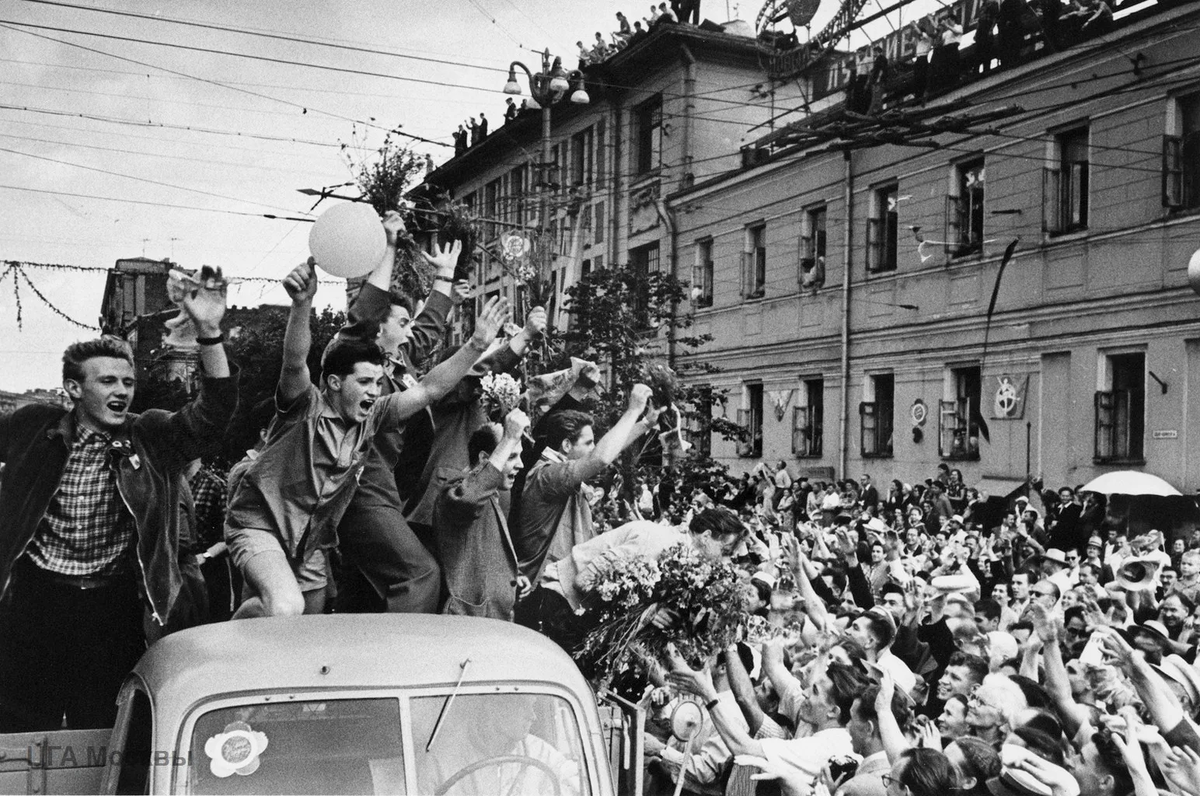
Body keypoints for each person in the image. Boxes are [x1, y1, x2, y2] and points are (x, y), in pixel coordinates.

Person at [0, 272, 237, 731]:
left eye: (127, 382)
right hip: (36, 599)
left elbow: (212, 417)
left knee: (105, 728)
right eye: (107, 381)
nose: (122, 391)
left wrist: (209, 333)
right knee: (23, 727)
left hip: (112, 605)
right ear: (73, 389)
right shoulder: (32, 427)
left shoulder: (148, 435)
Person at [224, 257, 509, 618]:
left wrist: (476, 344)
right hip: (259, 523)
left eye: (378, 383)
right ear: (334, 383)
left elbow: (428, 389)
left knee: (302, 631)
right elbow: (295, 361)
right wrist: (301, 304)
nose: (375, 392)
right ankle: (231, 636)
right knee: (285, 607)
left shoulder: (373, 415)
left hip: (307, 540)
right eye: (364, 383)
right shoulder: (303, 405)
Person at [331, 214, 468, 614]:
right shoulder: (355, 356)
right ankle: (403, 658)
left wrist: (443, 277)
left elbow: (426, 329)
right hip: (357, 488)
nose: (410, 331)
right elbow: (365, 314)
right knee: (420, 574)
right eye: (401, 322)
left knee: (360, 592)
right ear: (378, 330)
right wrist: (388, 246)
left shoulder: (398, 362)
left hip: (388, 492)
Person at [517, 506, 747, 652]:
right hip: (555, 606)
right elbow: (584, 581)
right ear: (707, 537)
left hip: (573, 615)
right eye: (725, 551)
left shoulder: (683, 558)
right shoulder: (656, 541)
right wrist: (648, 614)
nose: (724, 562)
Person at [514, 384, 660, 583]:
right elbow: (599, 459)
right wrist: (633, 410)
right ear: (566, 445)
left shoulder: (555, 469)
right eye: (588, 443)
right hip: (541, 586)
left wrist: (645, 424)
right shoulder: (547, 475)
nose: (593, 448)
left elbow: (604, 453)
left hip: (556, 583)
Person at [431, 410, 531, 620]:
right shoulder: (455, 492)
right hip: (468, 624)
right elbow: (468, 499)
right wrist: (509, 438)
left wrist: (512, 579)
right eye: (512, 455)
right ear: (485, 458)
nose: (520, 465)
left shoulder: (494, 495)